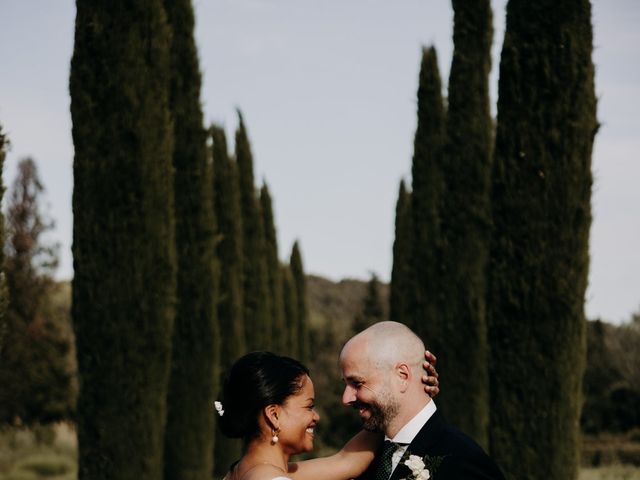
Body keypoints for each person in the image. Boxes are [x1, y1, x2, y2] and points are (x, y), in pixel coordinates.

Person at [218, 350, 440, 480]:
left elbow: (346, 461)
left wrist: (406, 394)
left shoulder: (245, 470)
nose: (316, 417)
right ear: (274, 415)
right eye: (308, 406)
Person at [340, 321, 505, 480]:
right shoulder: (363, 460)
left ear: (402, 376)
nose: (346, 399)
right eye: (346, 385)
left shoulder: (462, 461)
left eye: (357, 383)